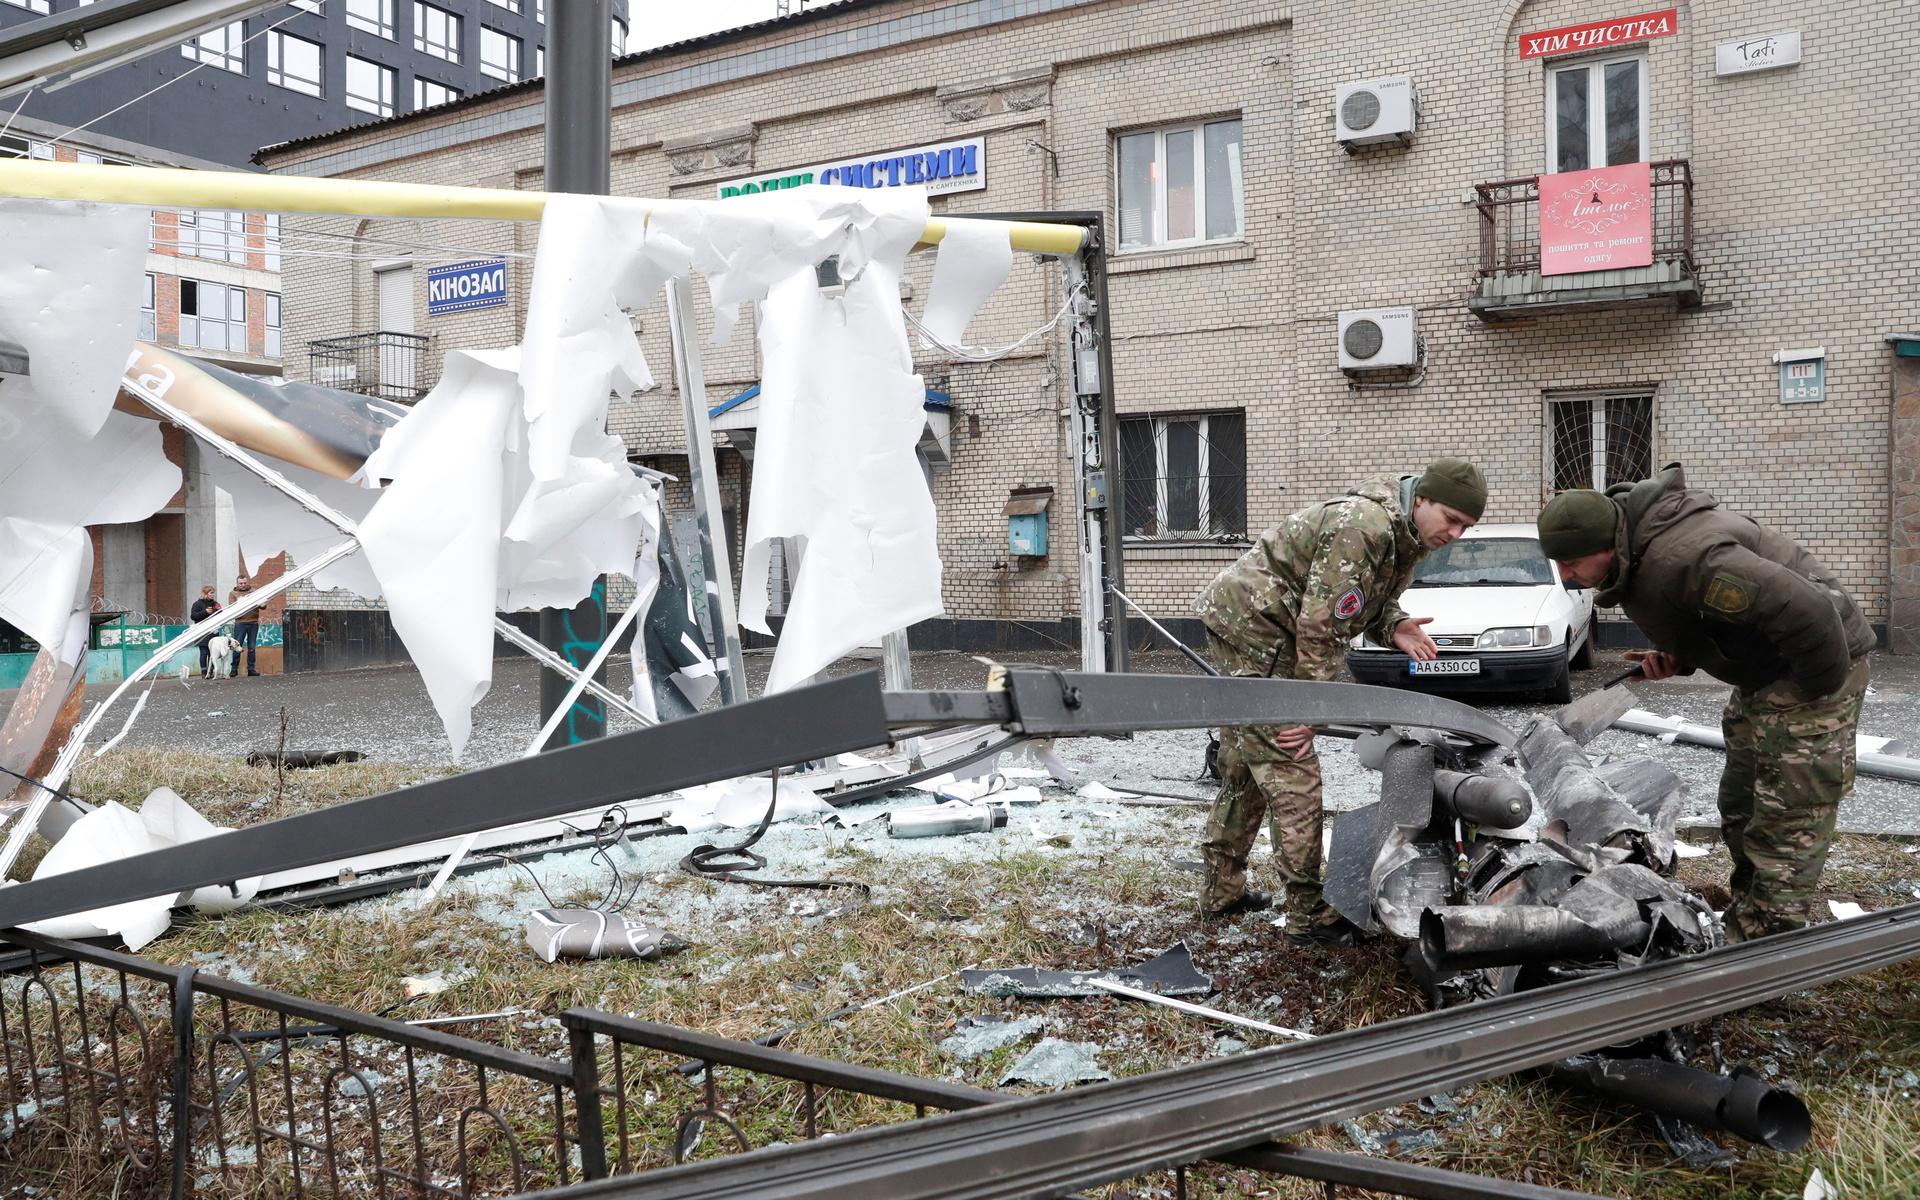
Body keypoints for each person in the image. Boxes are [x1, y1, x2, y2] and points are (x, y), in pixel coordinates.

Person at [1538, 463, 1873, 943]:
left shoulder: (1688, 557)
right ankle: (1746, 915)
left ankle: (1763, 957)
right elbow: (1720, 617)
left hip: (1815, 669)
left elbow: (1810, 612)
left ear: (1608, 545)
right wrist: (1682, 658)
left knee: (1786, 820)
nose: (1567, 576)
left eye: (1571, 563)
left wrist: (1812, 698)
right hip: (1767, 676)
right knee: (1741, 804)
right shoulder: (1640, 551)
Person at [1194, 458, 1486, 943]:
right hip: (1258, 632)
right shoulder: (1366, 527)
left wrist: (1394, 623)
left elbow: (1364, 597)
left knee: (1247, 765)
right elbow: (1321, 626)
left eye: (1466, 526)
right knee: (1291, 766)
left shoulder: (1405, 535)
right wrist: (1313, 710)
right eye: (1451, 519)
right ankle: (1309, 916)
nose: (1455, 533)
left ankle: (1221, 892)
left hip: (1272, 628)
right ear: (1421, 500)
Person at [228, 576, 262, 677]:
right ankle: (234, 669)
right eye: (240, 583)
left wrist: (262, 603)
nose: (243, 585)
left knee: (252, 647)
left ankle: (251, 669)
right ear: (237, 583)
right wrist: (242, 601)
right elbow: (232, 607)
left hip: (253, 622)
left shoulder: (254, 592)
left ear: (247, 582)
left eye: (244, 583)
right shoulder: (233, 593)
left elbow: (262, 605)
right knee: (236, 646)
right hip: (240, 623)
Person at [189, 585, 221, 679]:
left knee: (212, 653)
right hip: (201, 631)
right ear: (205, 593)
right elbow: (193, 616)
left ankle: (210, 671)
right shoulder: (198, 604)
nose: (213, 595)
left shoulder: (215, 603)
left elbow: (221, 615)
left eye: (213, 592)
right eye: (211, 593)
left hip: (213, 631)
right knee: (204, 652)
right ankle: (204, 671)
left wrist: (219, 611)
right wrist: (205, 612)